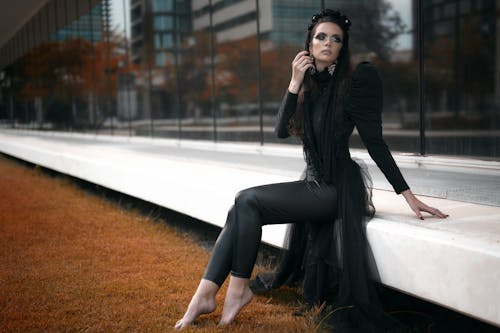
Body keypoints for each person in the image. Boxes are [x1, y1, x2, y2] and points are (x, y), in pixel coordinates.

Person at [174, 9, 448, 331]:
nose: (328, 43)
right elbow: (279, 131)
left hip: (337, 189)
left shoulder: (355, 81)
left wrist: (408, 196)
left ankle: (236, 291)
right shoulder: (310, 85)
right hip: (314, 183)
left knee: (246, 199)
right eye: (321, 37)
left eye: (336, 39)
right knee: (240, 209)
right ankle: (205, 295)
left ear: (343, 47)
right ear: (309, 43)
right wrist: (294, 82)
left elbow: (375, 143)